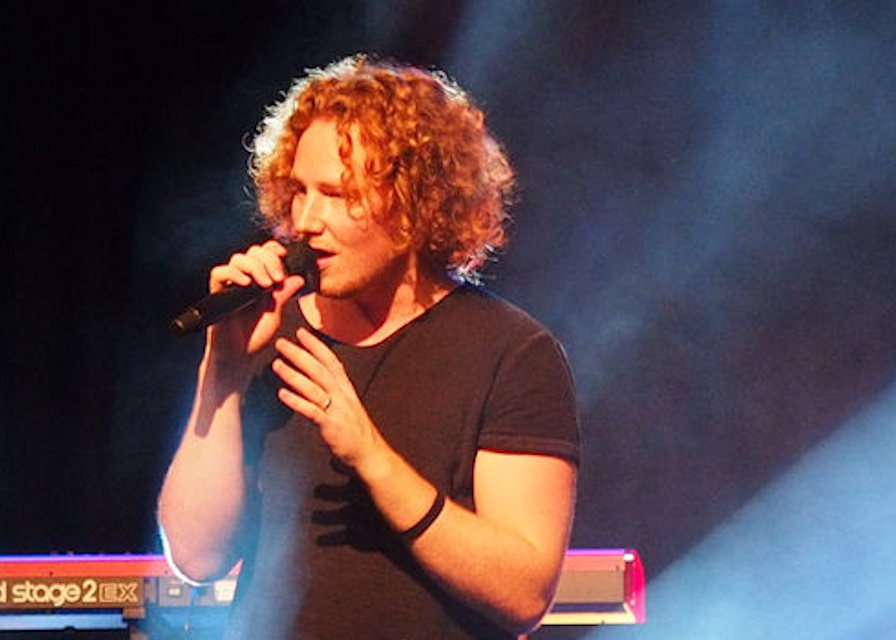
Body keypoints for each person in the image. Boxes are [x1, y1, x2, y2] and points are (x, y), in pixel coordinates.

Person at [157, 54, 581, 640]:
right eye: (299, 191)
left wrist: (372, 458)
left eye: (337, 193)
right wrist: (223, 374)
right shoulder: (265, 331)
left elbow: (523, 594)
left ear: (416, 202)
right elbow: (196, 557)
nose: (306, 219)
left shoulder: (513, 353)